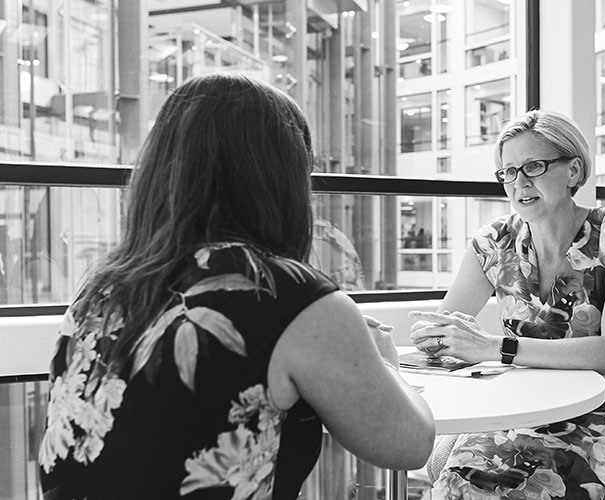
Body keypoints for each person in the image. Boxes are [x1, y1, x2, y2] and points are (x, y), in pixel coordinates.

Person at [37, 73, 435, 500]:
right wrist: (386, 363)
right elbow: (409, 445)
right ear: (282, 178)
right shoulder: (288, 297)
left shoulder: (101, 288)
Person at [408, 109, 605, 499]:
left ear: (573, 171)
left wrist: (494, 347)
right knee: (453, 488)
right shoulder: (494, 242)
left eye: (534, 166)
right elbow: (447, 329)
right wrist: (432, 336)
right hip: (520, 407)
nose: (518, 183)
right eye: (507, 172)